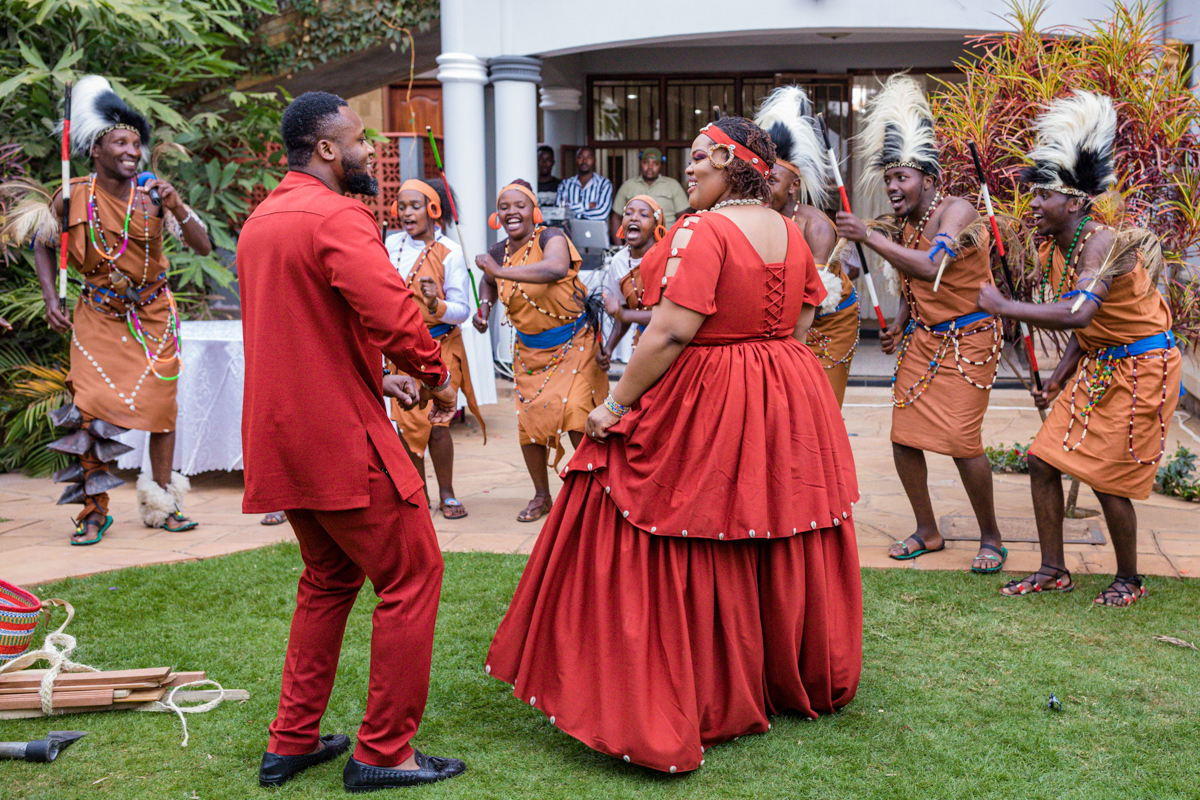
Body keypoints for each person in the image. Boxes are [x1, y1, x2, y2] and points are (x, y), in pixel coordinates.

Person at [487, 117, 861, 773]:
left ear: (728, 162)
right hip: (787, 382)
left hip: (715, 383)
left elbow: (668, 333)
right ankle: (777, 674)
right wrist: (765, 371)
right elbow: (802, 321)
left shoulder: (705, 229)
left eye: (698, 159)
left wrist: (613, 405)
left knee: (650, 502)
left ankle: (676, 683)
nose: (688, 170)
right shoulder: (788, 229)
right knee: (772, 520)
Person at [238, 91, 465, 791]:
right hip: (338, 438)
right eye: (361, 140)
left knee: (330, 578)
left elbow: (310, 324)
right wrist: (434, 376)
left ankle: (291, 742)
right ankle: (384, 753)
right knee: (413, 573)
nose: (371, 152)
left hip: (281, 436)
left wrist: (380, 380)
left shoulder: (261, 219)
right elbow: (393, 315)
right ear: (328, 149)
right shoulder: (338, 214)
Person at [976, 91, 1182, 607]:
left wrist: (1003, 306)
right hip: (1099, 365)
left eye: (1043, 196)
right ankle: (1053, 569)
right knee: (1043, 460)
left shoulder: (1100, 242)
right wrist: (1061, 374)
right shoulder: (1059, 249)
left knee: (1108, 479)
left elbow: (1079, 312)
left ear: (1073, 201)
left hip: (1143, 369)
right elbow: (1084, 328)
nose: (1035, 205)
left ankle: (1130, 578)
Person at [14, 75, 210, 545]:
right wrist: (49, 298)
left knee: (163, 411)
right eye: (120, 142)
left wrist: (179, 207)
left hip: (153, 317)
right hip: (97, 316)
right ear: (97, 150)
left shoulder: (155, 196)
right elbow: (43, 242)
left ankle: (163, 505)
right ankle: (93, 511)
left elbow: (203, 246)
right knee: (90, 412)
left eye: (136, 143)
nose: (132, 151)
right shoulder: (72, 194)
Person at [835, 74, 1006, 574]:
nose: (892, 186)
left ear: (928, 180)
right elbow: (918, 284)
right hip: (924, 342)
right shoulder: (906, 222)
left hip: (971, 341)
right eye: (888, 179)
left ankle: (991, 536)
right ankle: (927, 530)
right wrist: (901, 322)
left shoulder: (956, 210)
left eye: (902, 178)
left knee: (961, 442)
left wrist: (866, 233)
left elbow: (933, 266)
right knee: (903, 437)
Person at [473, 180, 608, 521]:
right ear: (497, 214)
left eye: (519, 205)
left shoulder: (551, 237)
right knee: (529, 422)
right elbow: (487, 282)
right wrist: (484, 310)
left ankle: (600, 493)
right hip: (529, 351)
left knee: (578, 412)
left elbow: (556, 268)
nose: (511, 212)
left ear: (533, 210)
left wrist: (499, 271)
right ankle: (541, 496)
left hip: (576, 341)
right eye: (504, 206)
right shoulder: (497, 250)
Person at [385, 178, 486, 519]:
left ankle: (447, 493)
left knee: (437, 424)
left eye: (414, 206)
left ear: (433, 210)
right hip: (401, 350)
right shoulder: (389, 244)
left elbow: (463, 310)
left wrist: (435, 303)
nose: (405, 213)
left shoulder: (450, 251)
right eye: (401, 206)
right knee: (406, 422)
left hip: (441, 346)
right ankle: (418, 496)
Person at [755, 85, 860, 406]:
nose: (762, 188)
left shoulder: (815, 226)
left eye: (771, 181)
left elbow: (815, 297)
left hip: (829, 322)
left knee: (817, 406)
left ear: (794, 185)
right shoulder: (758, 218)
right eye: (759, 179)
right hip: (783, 321)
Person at [597, 195, 665, 368]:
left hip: (675, 346)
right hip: (642, 344)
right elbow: (624, 310)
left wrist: (623, 314)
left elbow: (669, 316)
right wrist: (609, 349)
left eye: (644, 215)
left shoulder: (667, 257)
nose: (634, 217)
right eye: (628, 213)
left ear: (656, 227)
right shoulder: (619, 261)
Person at [609, 147, 690, 239]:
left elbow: (684, 218)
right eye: (646, 162)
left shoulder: (673, 186)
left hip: (666, 243)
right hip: (634, 244)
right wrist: (619, 247)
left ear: (661, 165)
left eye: (655, 163)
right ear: (640, 163)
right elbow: (616, 217)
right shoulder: (628, 186)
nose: (650, 167)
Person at [555, 147, 613, 221]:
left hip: (595, 231)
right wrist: (587, 205)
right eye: (581, 157)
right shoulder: (565, 184)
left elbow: (602, 213)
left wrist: (574, 213)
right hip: (569, 231)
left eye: (589, 157)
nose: (584, 161)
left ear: (594, 161)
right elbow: (558, 210)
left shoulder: (604, 184)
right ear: (576, 160)